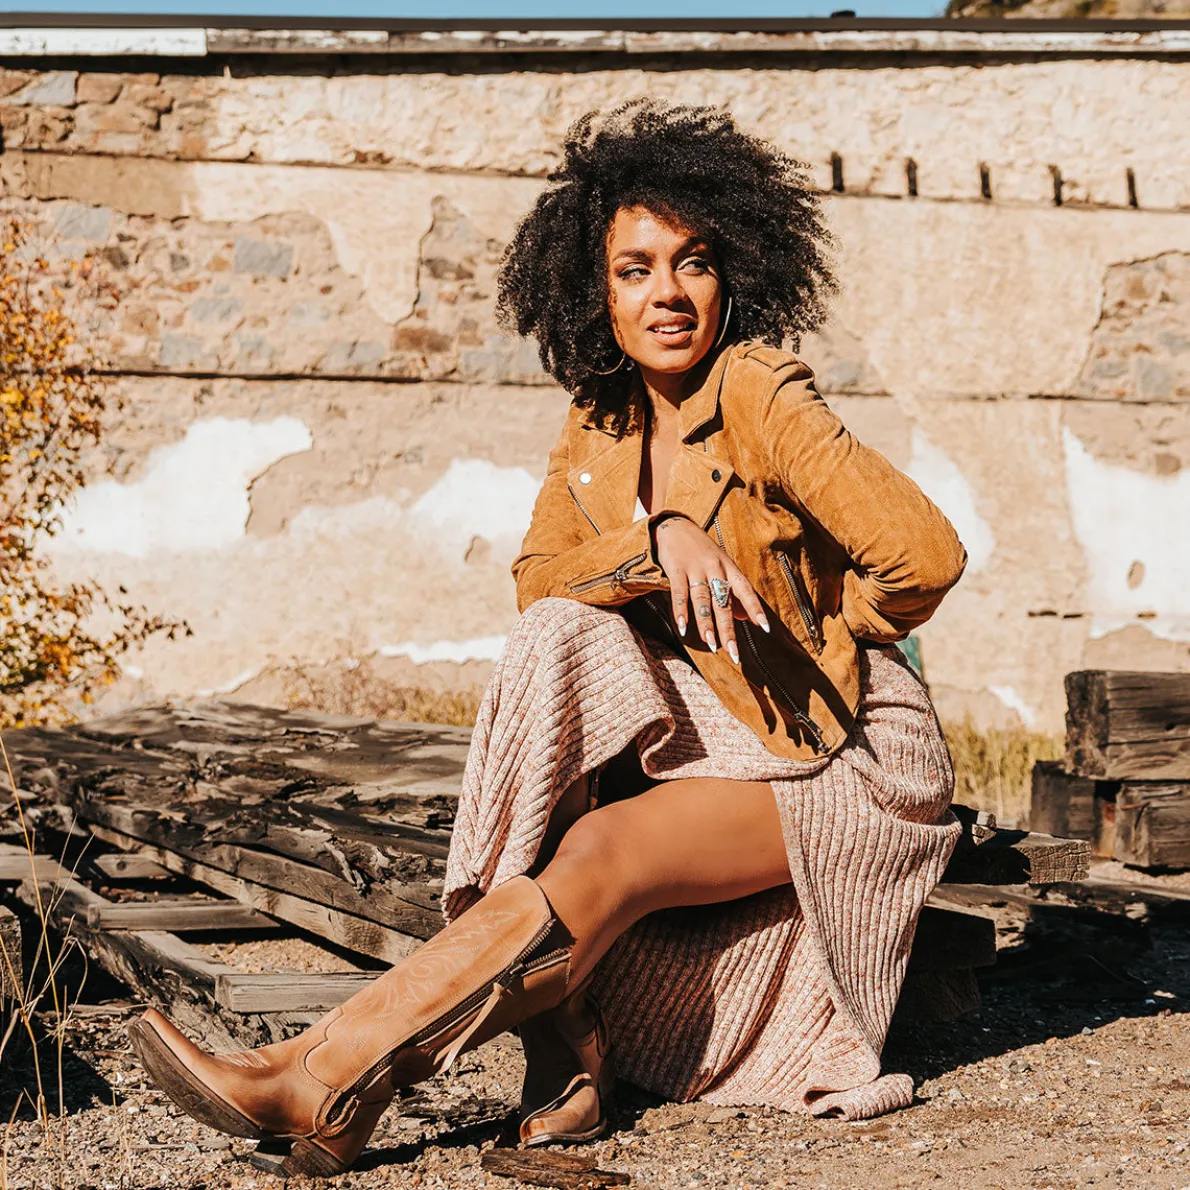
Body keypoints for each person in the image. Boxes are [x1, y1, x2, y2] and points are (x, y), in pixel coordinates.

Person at [128, 100, 967, 1179]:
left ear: (732, 274)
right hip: (715, 732)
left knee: (600, 853)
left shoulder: (759, 393)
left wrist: (822, 635)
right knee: (560, 633)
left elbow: (923, 557)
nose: (667, 293)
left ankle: (331, 1071)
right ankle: (499, 1063)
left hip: (838, 750)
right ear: (595, 292)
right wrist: (656, 540)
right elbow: (537, 578)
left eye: (693, 262)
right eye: (634, 270)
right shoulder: (599, 421)